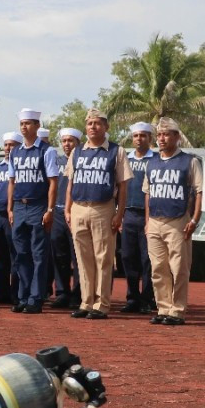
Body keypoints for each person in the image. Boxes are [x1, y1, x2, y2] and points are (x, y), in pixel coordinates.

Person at [66, 110, 132, 320]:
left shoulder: (116, 151)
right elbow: (70, 183)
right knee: (82, 258)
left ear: (106, 127)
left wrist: (119, 213)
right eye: (90, 123)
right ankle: (86, 302)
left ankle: (101, 304)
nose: (93, 127)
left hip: (103, 208)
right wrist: (67, 209)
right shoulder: (77, 152)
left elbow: (123, 187)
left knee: (103, 258)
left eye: (97, 123)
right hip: (78, 207)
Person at [144, 117, 203, 326]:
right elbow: (148, 193)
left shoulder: (189, 161)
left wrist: (195, 219)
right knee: (158, 268)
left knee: (179, 268)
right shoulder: (151, 162)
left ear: (177, 137)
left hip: (178, 220)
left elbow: (199, 191)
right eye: (159, 135)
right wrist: (147, 221)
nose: (161, 138)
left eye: (166, 134)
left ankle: (177, 310)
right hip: (155, 221)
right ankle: (163, 308)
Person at [7, 108, 59, 313]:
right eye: (22, 124)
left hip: (38, 206)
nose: (24, 127)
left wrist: (50, 209)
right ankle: (23, 296)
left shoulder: (47, 151)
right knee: (21, 254)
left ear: (37, 126)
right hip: (19, 206)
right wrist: (10, 208)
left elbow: (53, 182)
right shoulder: (15, 152)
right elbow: (12, 182)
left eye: (28, 123)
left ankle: (36, 298)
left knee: (38, 254)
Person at [120, 122, 157, 314]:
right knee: (128, 257)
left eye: (143, 135)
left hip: (148, 215)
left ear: (150, 138)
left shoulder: (156, 159)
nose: (139, 139)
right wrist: (119, 214)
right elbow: (119, 186)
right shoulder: (125, 159)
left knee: (147, 259)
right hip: (128, 213)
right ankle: (132, 298)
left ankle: (147, 299)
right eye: (136, 136)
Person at [0, 132, 20, 304]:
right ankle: (2, 293)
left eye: (12, 145)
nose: (8, 148)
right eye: (6, 145)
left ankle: (16, 293)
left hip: (13, 215)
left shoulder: (20, 166)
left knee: (15, 256)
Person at [50, 128, 80, 308]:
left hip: (77, 213)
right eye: (64, 141)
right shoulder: (56, 161)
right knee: (59, 255)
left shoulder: (81, 160)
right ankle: (62, 293)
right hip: (57, 213)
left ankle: (78, 294)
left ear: (77, 143)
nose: (67, 144)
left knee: (77, 256)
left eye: (71, 141)